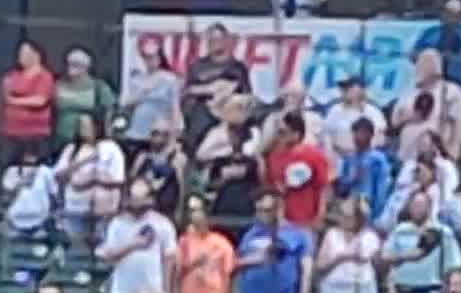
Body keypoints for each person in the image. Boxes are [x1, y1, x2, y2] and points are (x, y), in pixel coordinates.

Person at [98, 180, 177, 293]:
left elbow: (169, 258)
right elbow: (108, 255)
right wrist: (134, 244)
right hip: (123, 292)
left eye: (143, 197)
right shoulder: (117, 223)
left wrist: (166, 290)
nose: (138, 202)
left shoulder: (162, 223)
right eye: (134, 197)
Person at [230, 189, 313, 293]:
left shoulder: (294, 234)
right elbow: (236, 261)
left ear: (279, 209)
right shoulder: (250, 234)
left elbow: (306, 270)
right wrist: (251, 260)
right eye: (258, 210)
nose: (261, 215)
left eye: (266, 210)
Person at [381, 191, 461, 293]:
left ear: (429, 207)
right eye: (413, 204)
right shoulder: (400, 230)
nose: (416, 208)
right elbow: (385, 256)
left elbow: (454, 265)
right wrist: (404, 256)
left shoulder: (443, 232)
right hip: (401, 290)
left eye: (420, 205)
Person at [315, 197, 382, 293]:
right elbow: (320, 267)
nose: (343, 219)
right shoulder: (331, 235)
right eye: (342, 214)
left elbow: (380, 267)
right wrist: (341, 257)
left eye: (348, 216)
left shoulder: (370, 237)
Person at [181, 24, 251, 158]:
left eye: (218, 39)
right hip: (201, 110)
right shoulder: (197, 66)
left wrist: (221, 94)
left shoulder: (237, 67)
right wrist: (211, 89)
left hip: (228, 112)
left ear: (226, 41)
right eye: (211, 40)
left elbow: (245, 94)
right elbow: (187, 91)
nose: (214, 43)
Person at [54, 114, 124, 243]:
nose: (83, 129)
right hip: (75, 209)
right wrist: (85, 161)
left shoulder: (111, 148)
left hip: (103, 211)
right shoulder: (71, 149)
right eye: (81, 126)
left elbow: (119, 180)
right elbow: (58, 175)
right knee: (76, 246)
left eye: (87, 125)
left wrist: (95, 179)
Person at [392, 50, 461, 163]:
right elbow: (394, 122)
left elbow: (459, 123)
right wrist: (407, 118)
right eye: (418, 63)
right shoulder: (408, 93)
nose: (418, 67)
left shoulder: (450, 91)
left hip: (437, 156)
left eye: (424, 63)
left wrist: (454, 149)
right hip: (407, 156)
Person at [262, 110, 329, 229]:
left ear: (296, 133)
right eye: (277, 132)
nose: (278, 136)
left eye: (282, 132)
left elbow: (323, 188)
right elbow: (270, 186)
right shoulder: (272, 156)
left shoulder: (313, 155)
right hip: (280, 222)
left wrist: (320, 216)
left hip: (308, 221)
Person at [177, 196, 234, 293]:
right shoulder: (184, 242)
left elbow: (227, 274)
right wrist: (195, 263)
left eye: (199, 211)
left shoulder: (221, 243)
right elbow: (178, 272)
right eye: (192, 212)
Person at [0, 41, 56, 164]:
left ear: (36, 55)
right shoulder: (13, 75)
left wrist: (13, 101)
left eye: (24, 53)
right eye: (20, 53)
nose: (20, 56)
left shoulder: (44, 76)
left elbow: (40, 100)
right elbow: (3, 95)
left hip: (34, 135)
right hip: (10, 134)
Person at [122, 44, 182, 150]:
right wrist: (144, 91)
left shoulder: (169, 79)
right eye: (146, 57)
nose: (149, 60)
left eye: (152, 57)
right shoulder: (137, 79)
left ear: (159, 58)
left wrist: (174, 135)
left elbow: (175, 108)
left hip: (158, 131)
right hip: (137, 130)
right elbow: (126, 103)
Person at [54, 48, 116, 150]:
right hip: (60, 139)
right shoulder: (59, 84)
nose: (70, 67)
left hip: (87, 140)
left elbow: (109, 112)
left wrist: (109, 137)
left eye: (75, 64)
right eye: (68, 63)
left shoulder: (99, 86)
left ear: (85, 67)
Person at [335, 117, 391, 224]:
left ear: (370, 135)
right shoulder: (349, 158)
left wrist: (376, 215)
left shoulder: (378, 159)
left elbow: (381, 189)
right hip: (349, 205)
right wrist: (351, 179)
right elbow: (341, 188)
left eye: (362, 133)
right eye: (355, 133)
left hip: (367, 204)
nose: (357, 136)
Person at [323, 75, 386, 161]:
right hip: (338, 157)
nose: (344, 92)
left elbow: (379, 137)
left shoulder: (373, 112)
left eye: (348, 88)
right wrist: (329, 154)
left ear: (360, 91)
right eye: (343, 89)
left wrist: (363, 155)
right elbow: (327, 134)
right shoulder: (335, 110)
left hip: (364, 159)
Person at [2, 147, 58, 237]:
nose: (29, 157)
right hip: (15, 222)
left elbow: (53, 194)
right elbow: (7, 195)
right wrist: (22, 182)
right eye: (27, 155)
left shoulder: (46, 171)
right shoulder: (11, 171)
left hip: (40, 222)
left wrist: (52, 214)